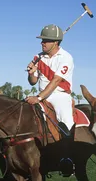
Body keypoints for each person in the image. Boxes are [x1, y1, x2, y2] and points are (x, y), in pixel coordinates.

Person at [24, 24, 76, 177]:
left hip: (60, 95)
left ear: (56, 42)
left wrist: (39, 98)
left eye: (46, 40)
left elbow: (55, 81)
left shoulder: (66, 57)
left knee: (66, 121)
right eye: (42, 40)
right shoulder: (38, 57)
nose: (42, 43)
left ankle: (67, 158)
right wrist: (31, 72)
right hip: (41, 93)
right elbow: (32, 82)